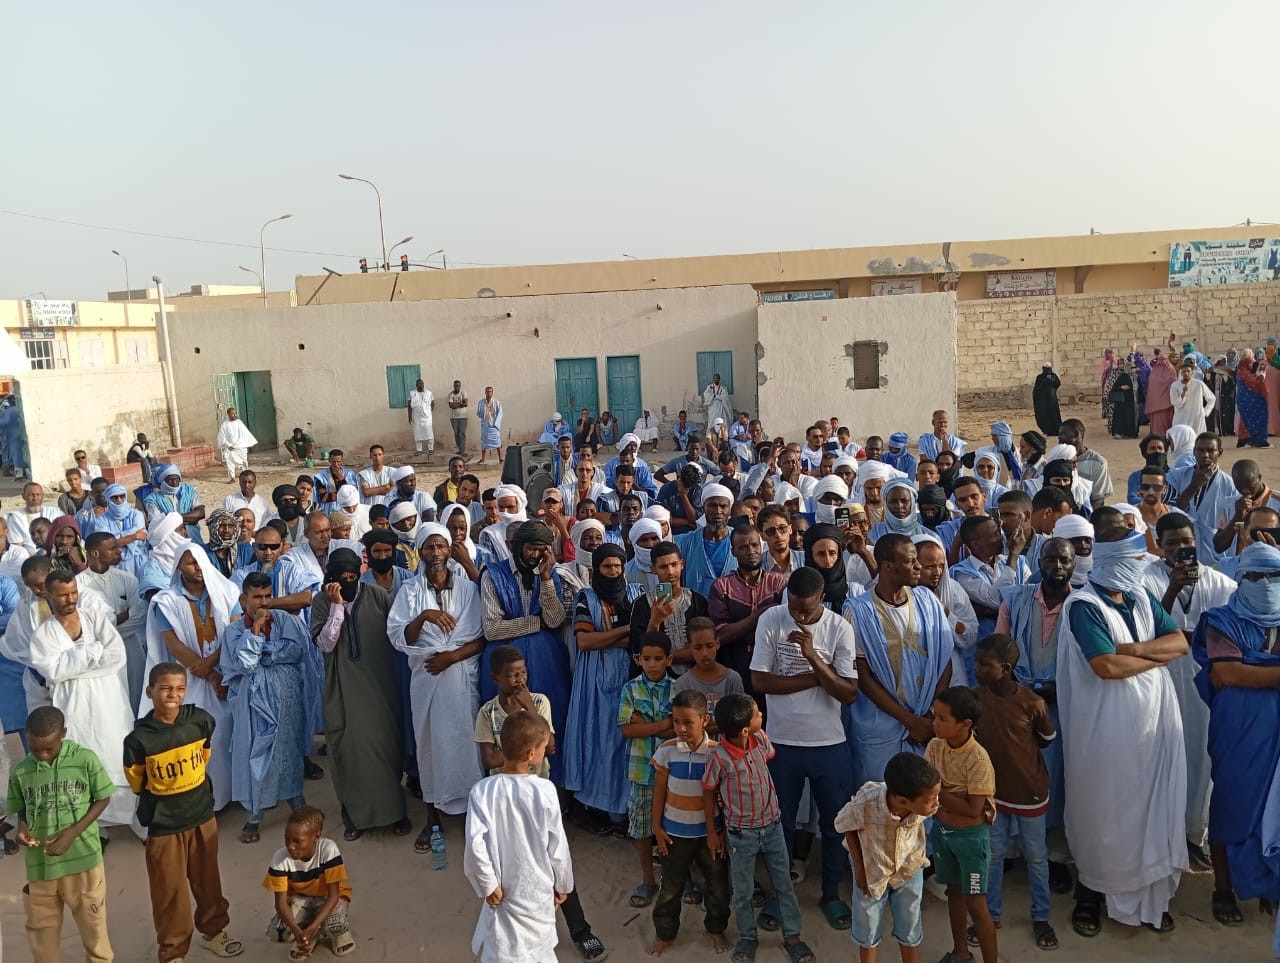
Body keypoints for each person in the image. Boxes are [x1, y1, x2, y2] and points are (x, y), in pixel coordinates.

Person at [1058, 511, 1188, 935]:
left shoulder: (1140, 596)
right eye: (1135, 559)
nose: (1142, 566)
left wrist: (1132, 648)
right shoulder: (1084, 606)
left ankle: (1149, 898)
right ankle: (1091, 894)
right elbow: (1106, 667)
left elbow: (1180, 643)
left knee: (1150, 809)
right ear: (1115, 560)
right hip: (1105, 732)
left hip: (1153, 726)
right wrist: (1153, 656)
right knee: (1104, 812)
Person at [752, 565, 859, 930]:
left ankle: (831, 894)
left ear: (822, 599)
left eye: (805, 609)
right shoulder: (771, 619)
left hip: (829, 744)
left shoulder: (839, 628)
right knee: (779, 826)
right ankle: (781, 897)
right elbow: (760, 681)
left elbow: (848, 692)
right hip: (782, 743)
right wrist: (817, 677)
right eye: (792, 606)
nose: (797, 615)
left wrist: (813, 656)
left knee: (834, 824)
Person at [124, 662, 244, 961]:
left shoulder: (199, 721)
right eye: (165, 688)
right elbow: (137, 781)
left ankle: (214, 932)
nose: (172, 695)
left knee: (208, 881)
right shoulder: (139, 740)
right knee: (169, 891)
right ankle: (173, 950)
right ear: (150, 691)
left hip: (201, 816)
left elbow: (204, 754)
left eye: (179, 689)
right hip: (164, 825)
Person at [1192, 540, 1280, 929]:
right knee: (1231, 803)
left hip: (1275, 731)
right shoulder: (1221, 620)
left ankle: (1268, 883)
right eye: (1257, 576)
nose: (1267, 584)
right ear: (1241, 578)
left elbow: (1240, 671)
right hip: (1238, 730)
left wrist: (1254, 671)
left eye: (1275, 576)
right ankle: (1223, 888)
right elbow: (1228, 672)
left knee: (1274, 807)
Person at [1143, 512, 1234, 872]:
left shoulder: (1219, 582)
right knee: (1165, 756)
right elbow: (1147, 629)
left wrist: (1187, 636)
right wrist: (1172, 590)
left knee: (1202, 760)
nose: (1181, 549)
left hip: (1205, 686)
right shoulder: (1147, 579)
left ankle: (1195, 835)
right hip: (1163, 684)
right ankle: (1166, 837)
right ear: (1159, 546)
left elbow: (1229, 631)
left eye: (1186, 542)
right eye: (1172, 544)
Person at [387, 523, 486, 850]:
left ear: (449, 550)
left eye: (441, 546)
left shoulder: (468, 590)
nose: (436, 553)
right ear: (420, 552)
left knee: (467, 744)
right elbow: (400, 636)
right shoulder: (409, 593)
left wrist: (451, 657)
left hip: (461, 680)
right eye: (429, 547)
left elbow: (480, 636)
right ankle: (432, 817)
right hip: (427, 681)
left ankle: (474, 815)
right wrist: (424, 616)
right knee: (429, 745)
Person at [701, 693, 814, 963]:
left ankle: (793, 936)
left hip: (773, 827)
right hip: (741, 834)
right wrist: (712, 831)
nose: (761, 715)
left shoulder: (761, 739)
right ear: (744, 730)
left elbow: (767, 762)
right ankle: (748, 937)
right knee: (742, 891)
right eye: (757, 715)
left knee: (784, 884)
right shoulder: (718, 758)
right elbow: (708, 792)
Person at [311, 548, 410, 839]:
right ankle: (354, 816)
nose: (347, 582)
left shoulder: (378, 596)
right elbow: (326, 644)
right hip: (342, 688)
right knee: (348, 750)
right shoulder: (321, 602)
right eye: (340, 578)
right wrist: (336, 607)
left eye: (352, 577)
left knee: (385, 748)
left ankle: (394, 812)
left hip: (380, 688)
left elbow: (397, 636)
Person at [8, 705, 116, 963]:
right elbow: (21, 808)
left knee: (95, 933)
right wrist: (22, 828)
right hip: (41, 866)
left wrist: (73, 832)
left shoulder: (85, 760)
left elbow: (103, 798)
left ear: (63, 734)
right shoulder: (21, 771)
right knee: (42, 936)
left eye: (49, 748)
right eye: (35, 749)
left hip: (84, 863)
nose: (42, 755)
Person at [464, 711, 573, 963]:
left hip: (502, 891)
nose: (545, 752)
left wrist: (488, 884)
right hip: (536, 889)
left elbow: (475, 845)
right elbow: (558, 848)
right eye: (544, 747)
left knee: (503, 948)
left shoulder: (482, 791)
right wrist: (563, 884)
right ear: (531, 754)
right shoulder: (545, 790)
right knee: (538, 950)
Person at [972, 634, 1059, 951]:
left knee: (1036, 857)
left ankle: (1041, 917)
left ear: (1006, 669)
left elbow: (1047, 738)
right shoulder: (976, 698)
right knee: (992, 856)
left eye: (985, 665)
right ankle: (991, 915)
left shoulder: (1032, 703)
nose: (977, 669)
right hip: (994, 793)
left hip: (1029, 792)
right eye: (977, 662)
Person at [845, 534, 954, 787]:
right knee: (881, 796)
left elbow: (944, 661)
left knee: (926, 795)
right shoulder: (858, 610)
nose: (918, 567)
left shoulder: (928, 601)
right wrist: (909, 721)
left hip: (928, 722)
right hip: (882, 727)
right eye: (910, 561)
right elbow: (863, 676)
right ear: (887, 566)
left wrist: (931, 716)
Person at [145, 546, 240, 813]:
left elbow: (234, 631)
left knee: (227, 733)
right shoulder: (166, 601)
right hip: (188, 679)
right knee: (197, 739)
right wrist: (209, 674)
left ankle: (231, 795)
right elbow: (173, 645)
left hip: (227, 674)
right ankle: (208, 804)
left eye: (200, 562)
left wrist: (213, 666)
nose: (197, 568)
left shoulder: (227, 591)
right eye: (190, 563)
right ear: (178, 567)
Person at [479, 520, 572, 782]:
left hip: (546, 662)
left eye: (542, 550)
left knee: (549, 720)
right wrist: (535, 623)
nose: (536, 555)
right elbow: (492, 629)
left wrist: (546, 579)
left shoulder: (549, 573)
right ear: (518, 546)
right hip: (506, 661)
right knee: (507, 724)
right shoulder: (492, 574)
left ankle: (553, 787)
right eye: (531, 548)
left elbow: (554, 620)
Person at [220, 572, 308, 846]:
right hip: (254, 701)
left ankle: (296, 800)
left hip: (287, 697)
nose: (264, 602)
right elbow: (245, 664)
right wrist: (256, 631)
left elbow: (297, 651)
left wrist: (266, 651)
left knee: (289, 749)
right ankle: (255, 814)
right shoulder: (234, 631)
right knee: (257, 753)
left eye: (268, 596)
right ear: (243, 599)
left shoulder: (285, 620)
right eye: (257, 597)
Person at [835, 752, 941, 963]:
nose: (936, 804)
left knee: (910, 923)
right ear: (903, 801)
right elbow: (846, 824)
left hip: (909, 868)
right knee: (868, 926)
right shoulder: (867, 800)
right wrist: (860, 870)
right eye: (931, 800)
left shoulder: (919, 799)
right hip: (872, 870)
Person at [649, 689, 731, 956]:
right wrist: (657, 828)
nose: (681, 728)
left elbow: (723, 797)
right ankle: (665, 934)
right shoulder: (666, 751)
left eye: (688, 722)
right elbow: (659, 791)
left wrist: (719, 832)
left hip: (710, 834)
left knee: (717, 886)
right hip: (674, 834)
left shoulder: (717, 753)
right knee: (670, 888)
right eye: (676, 722)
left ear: (705, 720)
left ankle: (716, 929)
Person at [563, 543, 641, 823]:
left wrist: (608, 637)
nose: (613, 571)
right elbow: (585, 641)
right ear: (596, 569)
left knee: (627, 743)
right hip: (595, 681)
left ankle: (628, 811)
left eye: (617, 566)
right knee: (601, 741)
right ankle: (601, 809)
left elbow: (644, 635)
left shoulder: (636, 593)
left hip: (631, 677)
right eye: (607, 566)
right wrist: (627, 631)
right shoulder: (587, 597)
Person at [925, 686, 999, 963]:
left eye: (942, 718)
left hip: (970, 840)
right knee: (953, 893)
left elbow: (973, 810)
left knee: (977, 905)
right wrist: (946, 794)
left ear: (965, 724)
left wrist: (938, 790)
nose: (935, 723)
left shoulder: (978, 759)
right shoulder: (935, 746)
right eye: (935, 716)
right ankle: (960, 953)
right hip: (943, 833)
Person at [618, 631, 674, 908]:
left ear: (669, 659)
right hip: (641, 771)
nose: (652, 664)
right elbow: (627, 730)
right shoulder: (630, 689)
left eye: (658, 659)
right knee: (641, 828)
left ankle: (677, 878)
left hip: (673, 773)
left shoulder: (678, 688)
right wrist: (662, 725)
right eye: (647, 659)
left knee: (674, 827)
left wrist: (645, 724)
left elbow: (679, 729)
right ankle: (648, 879)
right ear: (637, 659)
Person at [264, 806, 355, 958]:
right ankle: (307, 937)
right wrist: (296, 931)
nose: (290, 846)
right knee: (279, 932)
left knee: (335, 925)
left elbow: (333, 896)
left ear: (316, 837)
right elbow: (280, 903)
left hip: (327, 898)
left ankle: (337, 934)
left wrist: (313, 927)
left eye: (297, 841)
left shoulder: (328, 850)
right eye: (287, 839)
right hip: (300, 899)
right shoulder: (279, 858)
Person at [708, 525, 786, 699]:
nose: (751, 551)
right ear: (733, 551)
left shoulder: (778, 583)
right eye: (743, 547)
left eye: (754, 545)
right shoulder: (721, 587)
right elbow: (721, 636)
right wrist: (759, 616)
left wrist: (739, 631)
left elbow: (783, 630)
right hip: (734, 668)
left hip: (772, 669)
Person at [77, 531, 147, 712]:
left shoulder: (127, 579)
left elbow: (139, 616)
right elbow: (84, 624)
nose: (119, 551)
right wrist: (123, 615)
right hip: (98, 651)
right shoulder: (78, 584)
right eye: (112, 548)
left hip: (130, 647)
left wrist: (105, 629)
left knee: (136, 695)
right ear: (95, 553)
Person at [629, 541, 710, 675]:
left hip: (696, 678)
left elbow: (705, 648)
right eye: (663, 567)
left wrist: (661, 657)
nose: (670, 572)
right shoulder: (642, 604)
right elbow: (639, 654)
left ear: (682, 564)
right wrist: (655, 621)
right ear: (653, 569)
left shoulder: (697, 601)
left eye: (674, 564)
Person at [914, 533, 978, 687]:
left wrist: (945, 613)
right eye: (929, 567)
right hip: (916, 675)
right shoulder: (901, 595)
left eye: (941, 566)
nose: (937, 572)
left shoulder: (953, 590)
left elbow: (970, 635)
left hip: (953, 677)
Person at [1168, 432, 1236, 564]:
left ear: (1220, 452)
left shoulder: (1229, 485)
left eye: (1211, 451)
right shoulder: (1177, 476)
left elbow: (1232, 524)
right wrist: (1195, 485)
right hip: (1182, 547)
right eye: (1200, 450)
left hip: (1215, 554)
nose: (1205, 455)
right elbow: (1169, 510)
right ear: (1194, 451)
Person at [1059, 419, 1112, 509]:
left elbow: (1098, 500)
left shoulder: (1098, 463)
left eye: (1063, 434)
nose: (1059, 438)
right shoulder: (1058, 458)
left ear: (1076, 435)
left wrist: (1087, 516)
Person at [145, 466, 205, 542]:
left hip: (194, 540)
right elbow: (157, 525)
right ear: (163, 480)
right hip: (170, 543)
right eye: (171, 480)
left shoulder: (189, 491)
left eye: (177, 479)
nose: (174, 483)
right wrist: (190, 518)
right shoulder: (153, 500)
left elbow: (200, 513)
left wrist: (170, 518)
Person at [7, 482, 64, 551]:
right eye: (31, 495)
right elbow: (16, 547)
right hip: (28, 556)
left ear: (43, 495)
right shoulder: (16, 518)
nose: (35, 498)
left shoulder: (54, 513)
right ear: (23, 496)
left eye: (38, 494)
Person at [1172, 358, 1216, 434]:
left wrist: (1205, 412)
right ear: (1181, 373)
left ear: (1192, 372)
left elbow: (1212, 398)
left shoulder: (1199, 384)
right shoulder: (1175, 385)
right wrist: (1183, 394)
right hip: (1181, 418)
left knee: (1197, 438)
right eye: (1184, 371)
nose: (1186, 373)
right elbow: (1175, 403)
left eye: (1188, 371)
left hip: (1197, 418)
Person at [216, 407, 258, 482]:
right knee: (230, 463)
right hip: (230, 448)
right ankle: (232, 478)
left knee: (244, 462)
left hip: (240, 446)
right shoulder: (225, 425)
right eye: (233, 413)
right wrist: (228, 445)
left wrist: (240, 444)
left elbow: (245, 435)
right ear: (228, 414)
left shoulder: (239, 423)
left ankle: (246, 476)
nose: (235, 415)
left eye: (235, 413)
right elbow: (221, 437)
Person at [312, 450, 359, 515]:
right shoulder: (321, 476)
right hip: (327, 511)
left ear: (342, 461)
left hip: (345, 511)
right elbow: (324, 497)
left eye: (338, 461)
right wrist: (344, 496)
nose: (336, 464)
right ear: (329, 460)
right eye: (333, 461)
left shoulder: (349, 474)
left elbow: (352, 495)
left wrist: (341, 479)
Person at [1146, 350, 1178, 437]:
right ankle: (1155, 434)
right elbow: (1152, 383)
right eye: (1160, 359)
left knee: (1166, 419)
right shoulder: (1155, 369)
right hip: (1156, 400)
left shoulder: (1171, 369)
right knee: (1156, 418)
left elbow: (1173, 383)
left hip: (1167, 399)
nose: (1162, 361)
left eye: (1164, 359)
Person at [356, 444, 392, 509]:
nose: (377, 457)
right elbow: (366, 492)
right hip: (369, 508)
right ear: (370, 456)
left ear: (383, 456)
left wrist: (373, 490)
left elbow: (393, 490)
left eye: (380, 454)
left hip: (388, 508)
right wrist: (385, 487)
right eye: (375, 455)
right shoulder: (365, 474)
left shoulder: (392, 471)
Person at [476, 386, 503, 465]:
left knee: (497, 442)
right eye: (487, 391)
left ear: (492, 393)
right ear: (485, 392)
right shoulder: (481, 402)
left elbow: (500, 414)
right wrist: (483, 413)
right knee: (483, 443)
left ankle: (500, 458)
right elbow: (478, 413)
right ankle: (483, 458)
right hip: (485, 426)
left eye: (490, 391)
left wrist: (496, 425)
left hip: (494, 426)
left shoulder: (497, 402)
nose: (488, 393)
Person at [1032, 364, 1062, 436]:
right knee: (1044, 416)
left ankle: (1056, 430)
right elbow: (1037, 389)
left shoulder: (1053, 376)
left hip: (1052, 401)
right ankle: (1047, 430)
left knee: (1054, 415)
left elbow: (1057, 384)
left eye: (1049, 369)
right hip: (1042, 402)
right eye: (1046, 369)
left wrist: (1050, 380)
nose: (1048, 371)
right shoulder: (1040, 377)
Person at [408, 377, 434, 457]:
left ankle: (431, 449)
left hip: (427, 417)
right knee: (417, 432)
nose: (421, 385)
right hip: (417, 417)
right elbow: (409, 406)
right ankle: (419, 450)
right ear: (416, 385)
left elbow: (433, 402)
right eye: (419, 384)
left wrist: (429, 411)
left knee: (429, 432)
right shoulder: (412, 393)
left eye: (422, 383)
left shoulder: (429, 393)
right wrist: (409, 416)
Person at [447, 380, 469, 455]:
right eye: (456, 386)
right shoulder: (451, 394)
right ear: (454, 386)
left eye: (458, 386)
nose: (457, 387)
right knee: (456, 434)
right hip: (454, 418)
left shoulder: (463, 393)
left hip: (463, 417)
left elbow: (465, 404)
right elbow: (451, 406)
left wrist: (455, 404)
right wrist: (460, 403)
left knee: (462, 433)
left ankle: (463, 451)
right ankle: (460, 449)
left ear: (460, 386)